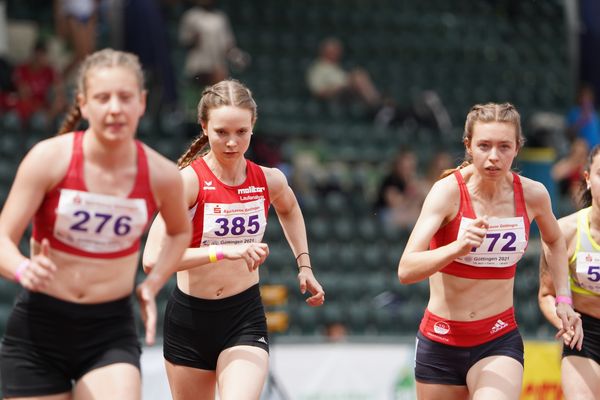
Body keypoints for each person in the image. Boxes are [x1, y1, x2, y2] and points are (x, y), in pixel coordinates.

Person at [0, 48, 191, 399]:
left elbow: (181, 231)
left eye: (125, 97)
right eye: (103, 98)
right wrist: (24, 270)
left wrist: (153, 284)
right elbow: (2, 237)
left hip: (108, 331)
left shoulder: (162, 174)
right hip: (39, 328)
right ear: (84, 104)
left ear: (142, 102)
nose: (115, 108)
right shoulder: (49, 158)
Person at [143, 79, 325, 400]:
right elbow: (152, 260)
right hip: (190, 321)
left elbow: (290, 209)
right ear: (204, 127)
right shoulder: (188, 182)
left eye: (241, 132)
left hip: (244, 317)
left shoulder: (269, 179)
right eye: (221, 132)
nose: (231, 142)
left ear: (253, 125)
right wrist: (222, 252)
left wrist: (304, 265)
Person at [397, 102, 583, 400]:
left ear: (517, 149)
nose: (494, 157)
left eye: (504, 147)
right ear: (468, 146)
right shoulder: (447, 193)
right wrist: (456, 247)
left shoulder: (533, 194)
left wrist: (563, 297)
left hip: (497, 340)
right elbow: (406, 269)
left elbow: (555, 240)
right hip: (441, 340)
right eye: (484, 146)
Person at [539, 144, 600, 399]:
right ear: (588, 178)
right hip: (585, 336)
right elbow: (546, 294)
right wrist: (565, 324)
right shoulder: (565, 233)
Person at [306, 37, 381, 108]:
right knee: (357, 75)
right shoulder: (318, 68)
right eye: (334, 51)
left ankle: (377, 104)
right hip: (334, 97)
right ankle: (377, 104)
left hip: (348, 94)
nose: (337, 53)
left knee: (358, 74)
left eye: (338, 51)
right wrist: (339, 89)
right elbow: (317, 91)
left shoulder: (336, 67)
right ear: (325, 51)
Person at [566, 83, 600, 149]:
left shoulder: (594, 114)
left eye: (588, 97)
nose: (586, 99)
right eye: (584, 97)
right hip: (582, 150)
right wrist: (581, 121)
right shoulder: (574, 112)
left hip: (596, 150)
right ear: (579, 98)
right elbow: (569, 133)